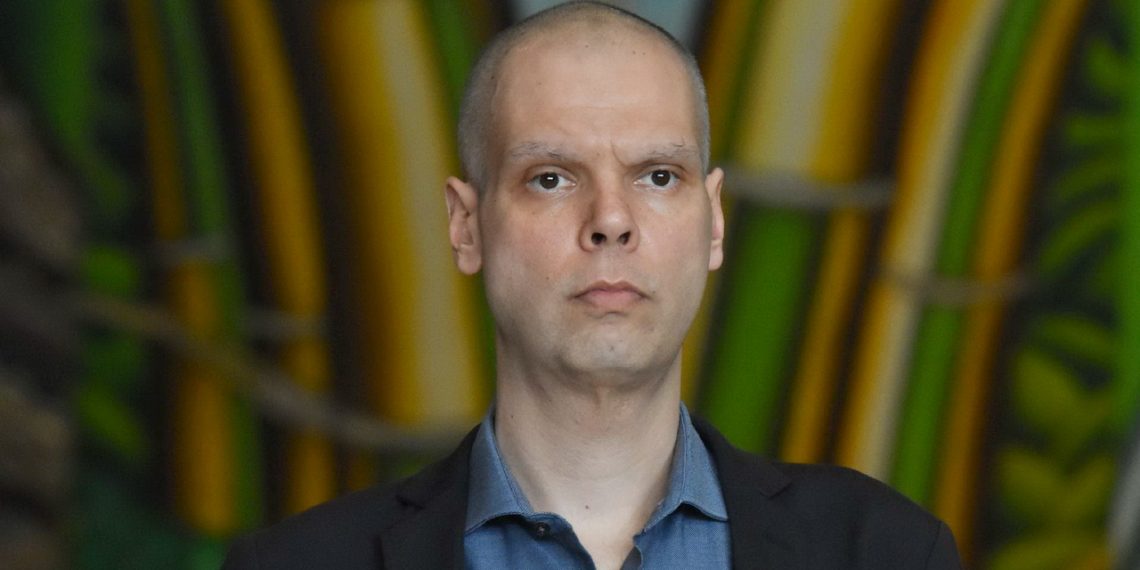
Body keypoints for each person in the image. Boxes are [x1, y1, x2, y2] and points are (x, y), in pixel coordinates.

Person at [223, 2, 962, 568]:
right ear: (466, 226)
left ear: (713, 223)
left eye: (658, 176)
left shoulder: (888, 552)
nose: (610, 220)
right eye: (551, 178)